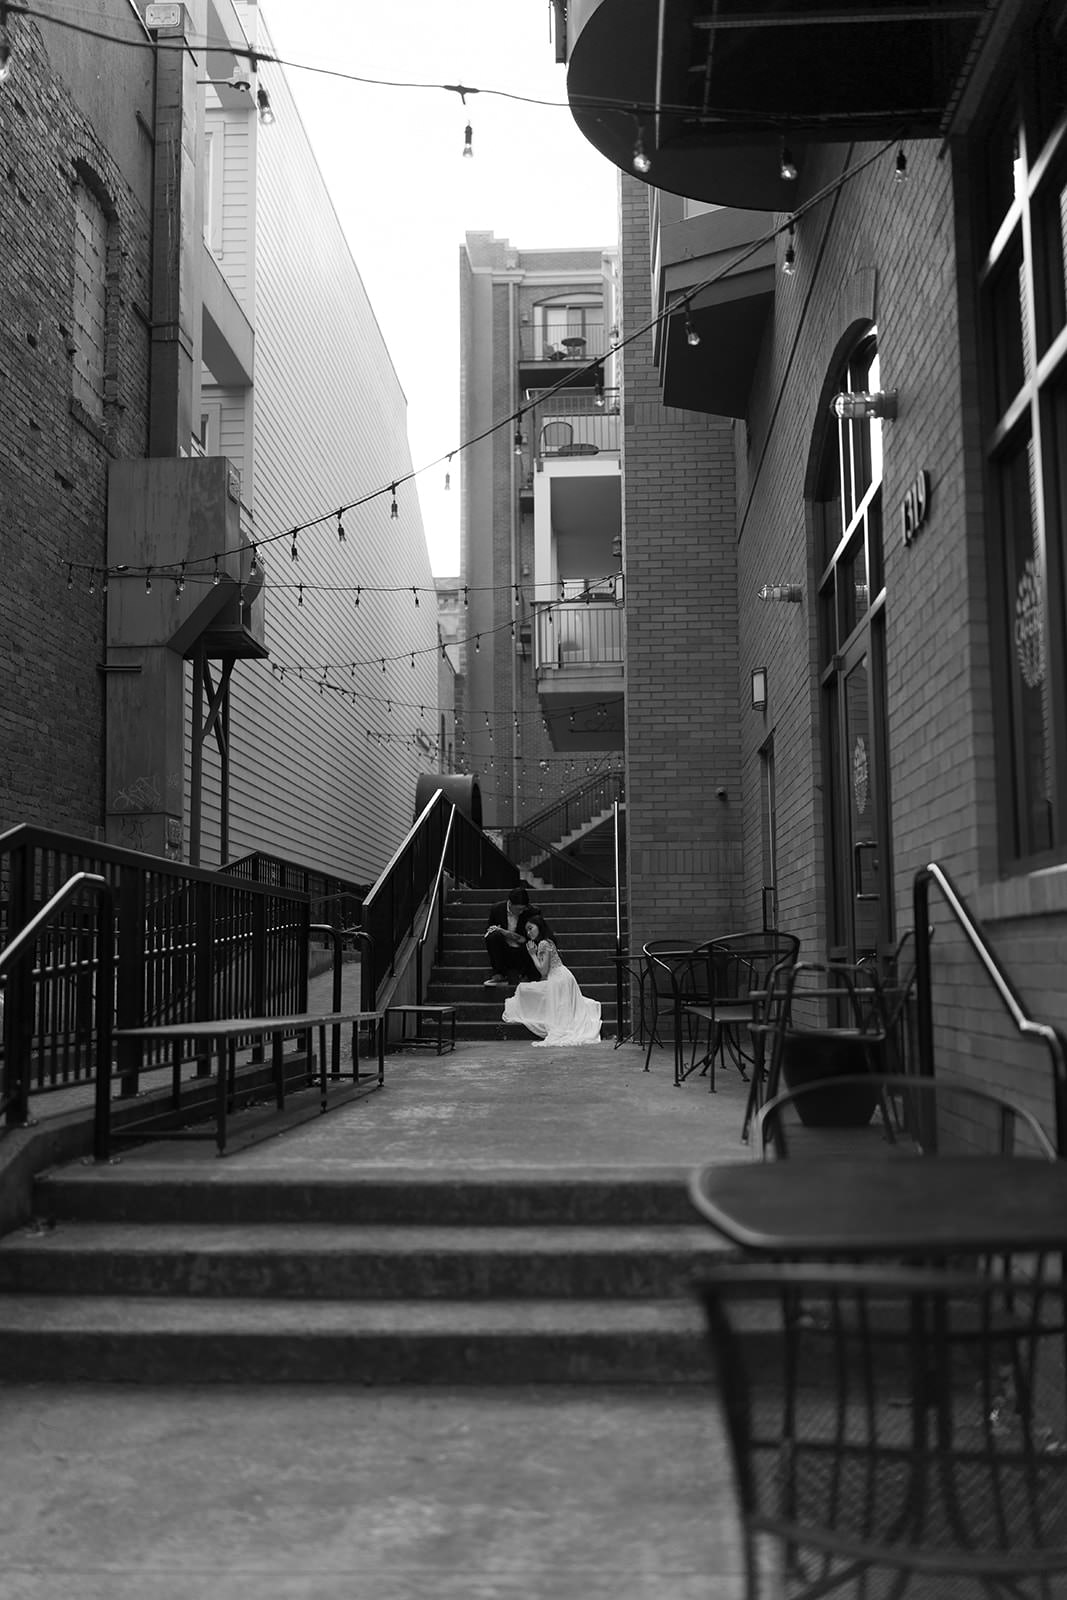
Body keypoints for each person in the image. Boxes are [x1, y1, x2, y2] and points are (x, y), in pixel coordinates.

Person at [503, 913, 602, 1046]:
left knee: (526, 991)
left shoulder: (544, 943)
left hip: (559, 978)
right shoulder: (547, 941)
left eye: (531, 928)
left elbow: (543, 970)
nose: (528, 933)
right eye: (527, 930)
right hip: (562, 976)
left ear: (539, 927)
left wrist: (532, 954)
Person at [483, 886, 542, 986]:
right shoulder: (497, 909)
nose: (521, 912)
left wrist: (506, 933)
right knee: (493, 936)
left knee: (532, 943)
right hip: (504, 948)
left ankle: (527, 974)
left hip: (523, 949)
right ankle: (499, 972)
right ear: (510, 903)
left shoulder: (532, 912)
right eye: (518, 909)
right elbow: (489, 930)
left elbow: (534, 936)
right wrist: (501, 933)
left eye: (523, 909)